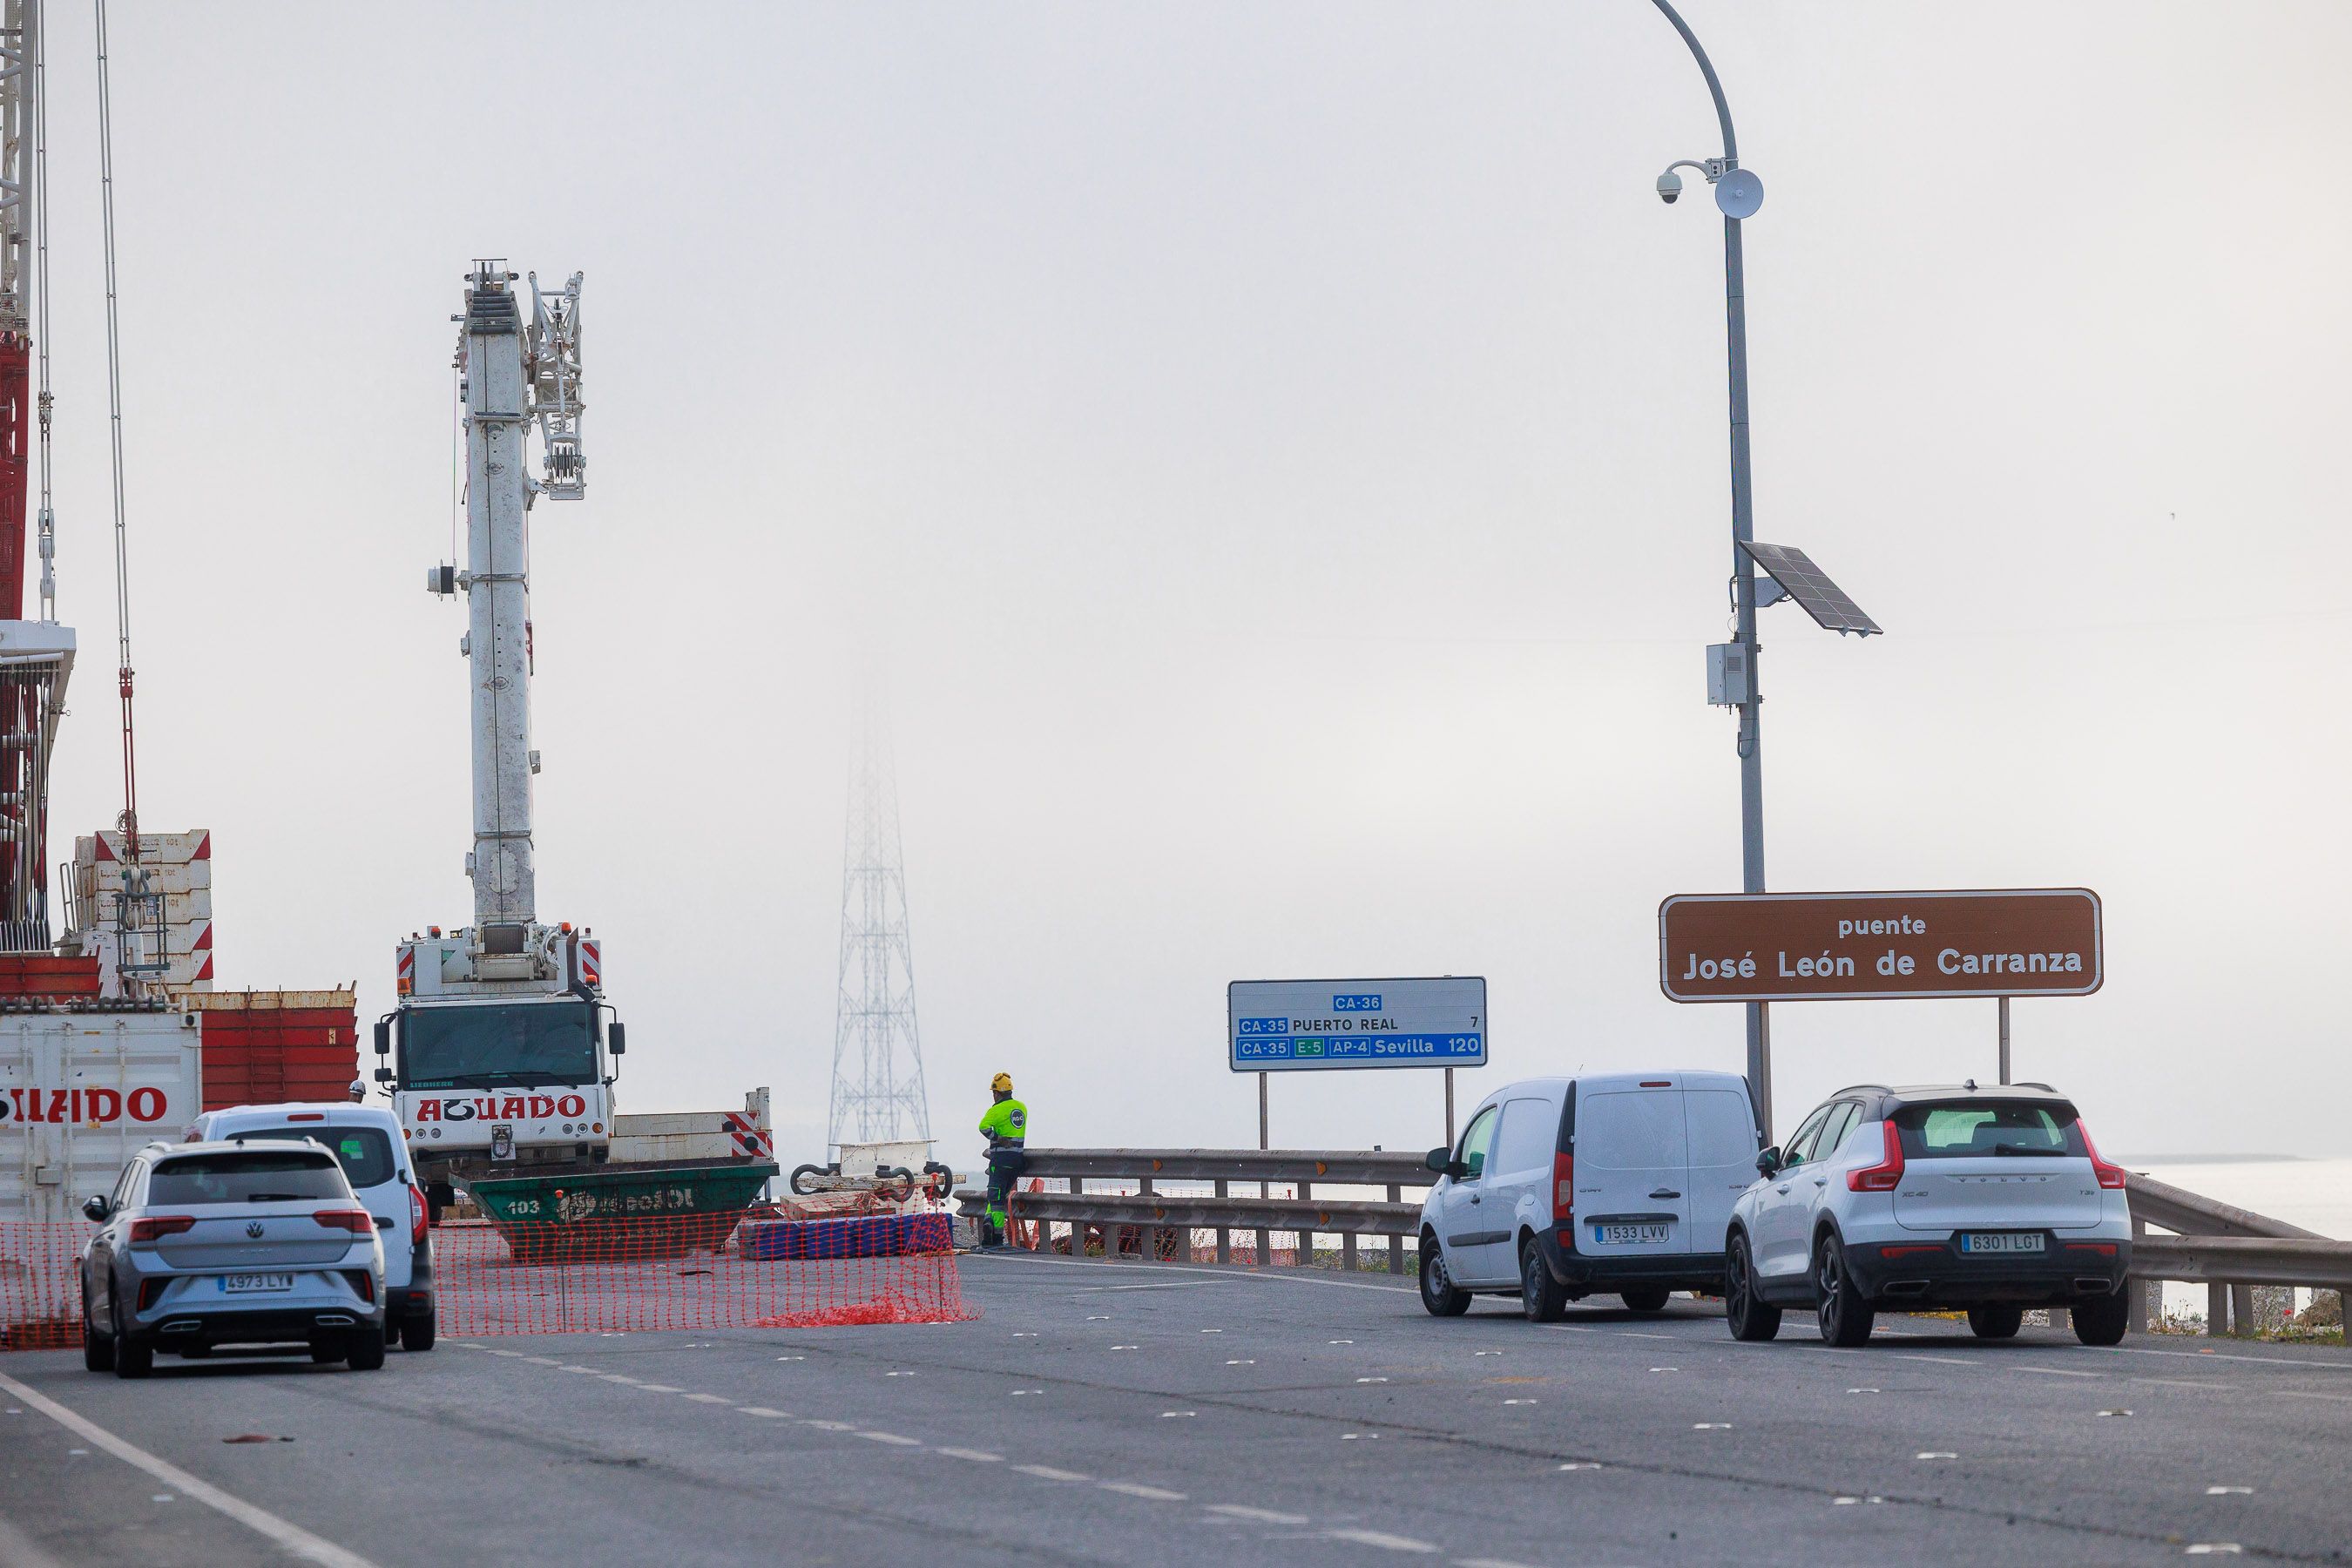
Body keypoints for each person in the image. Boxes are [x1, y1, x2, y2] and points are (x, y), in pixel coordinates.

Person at [977, 1071, 1027, 1249]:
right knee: (999, 1195)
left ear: (997, 1093)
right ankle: (989, 1221)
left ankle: (996, 1238)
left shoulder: (996, 1110)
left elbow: (983, 1127)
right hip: (1017, 1162)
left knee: (996, 1201)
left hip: (1000, 1161)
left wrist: (997, 1137)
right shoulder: (1021, 1108)